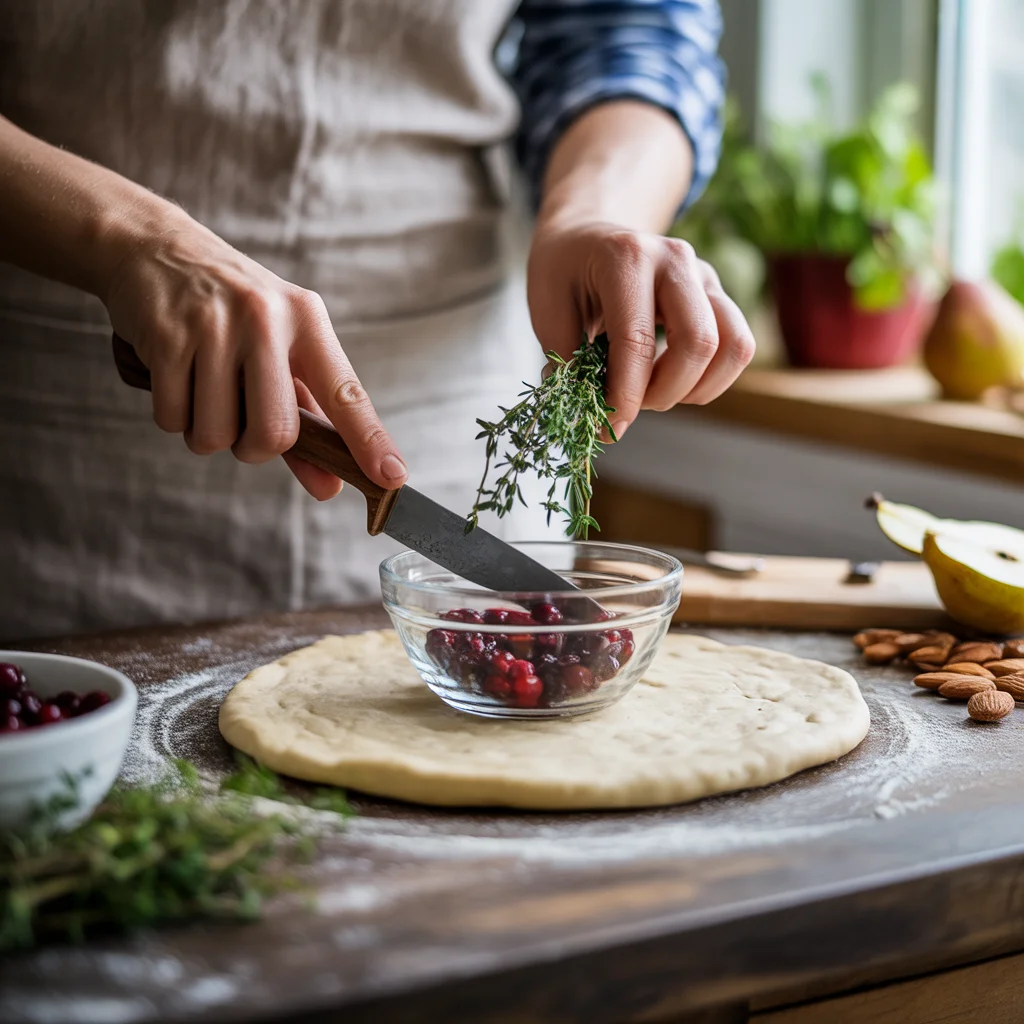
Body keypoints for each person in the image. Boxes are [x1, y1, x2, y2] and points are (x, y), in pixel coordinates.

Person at [0, 0, 754, 639]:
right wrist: (126, 240)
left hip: (450, 408)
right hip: (72, 452)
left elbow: (629, 28)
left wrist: (596, 210)